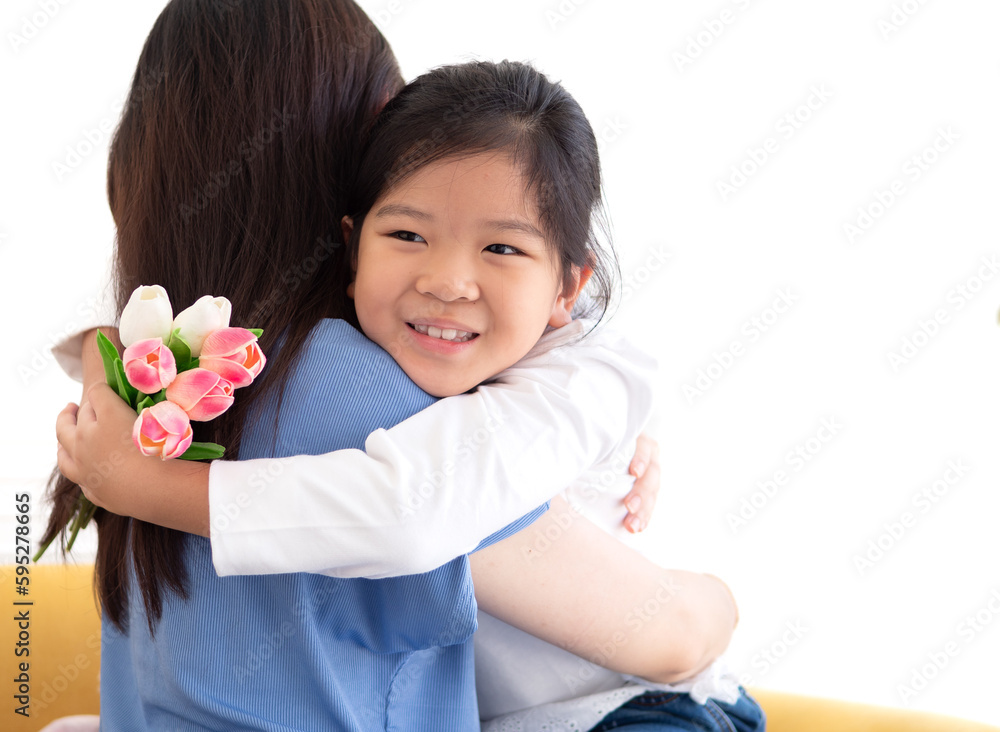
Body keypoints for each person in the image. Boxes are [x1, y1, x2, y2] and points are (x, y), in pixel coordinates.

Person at [46, 1, 733, 729]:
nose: (446, 280)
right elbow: (673, 636)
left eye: (501, 247)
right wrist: (721, 602)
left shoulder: (152, 374)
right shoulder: (359, 389)